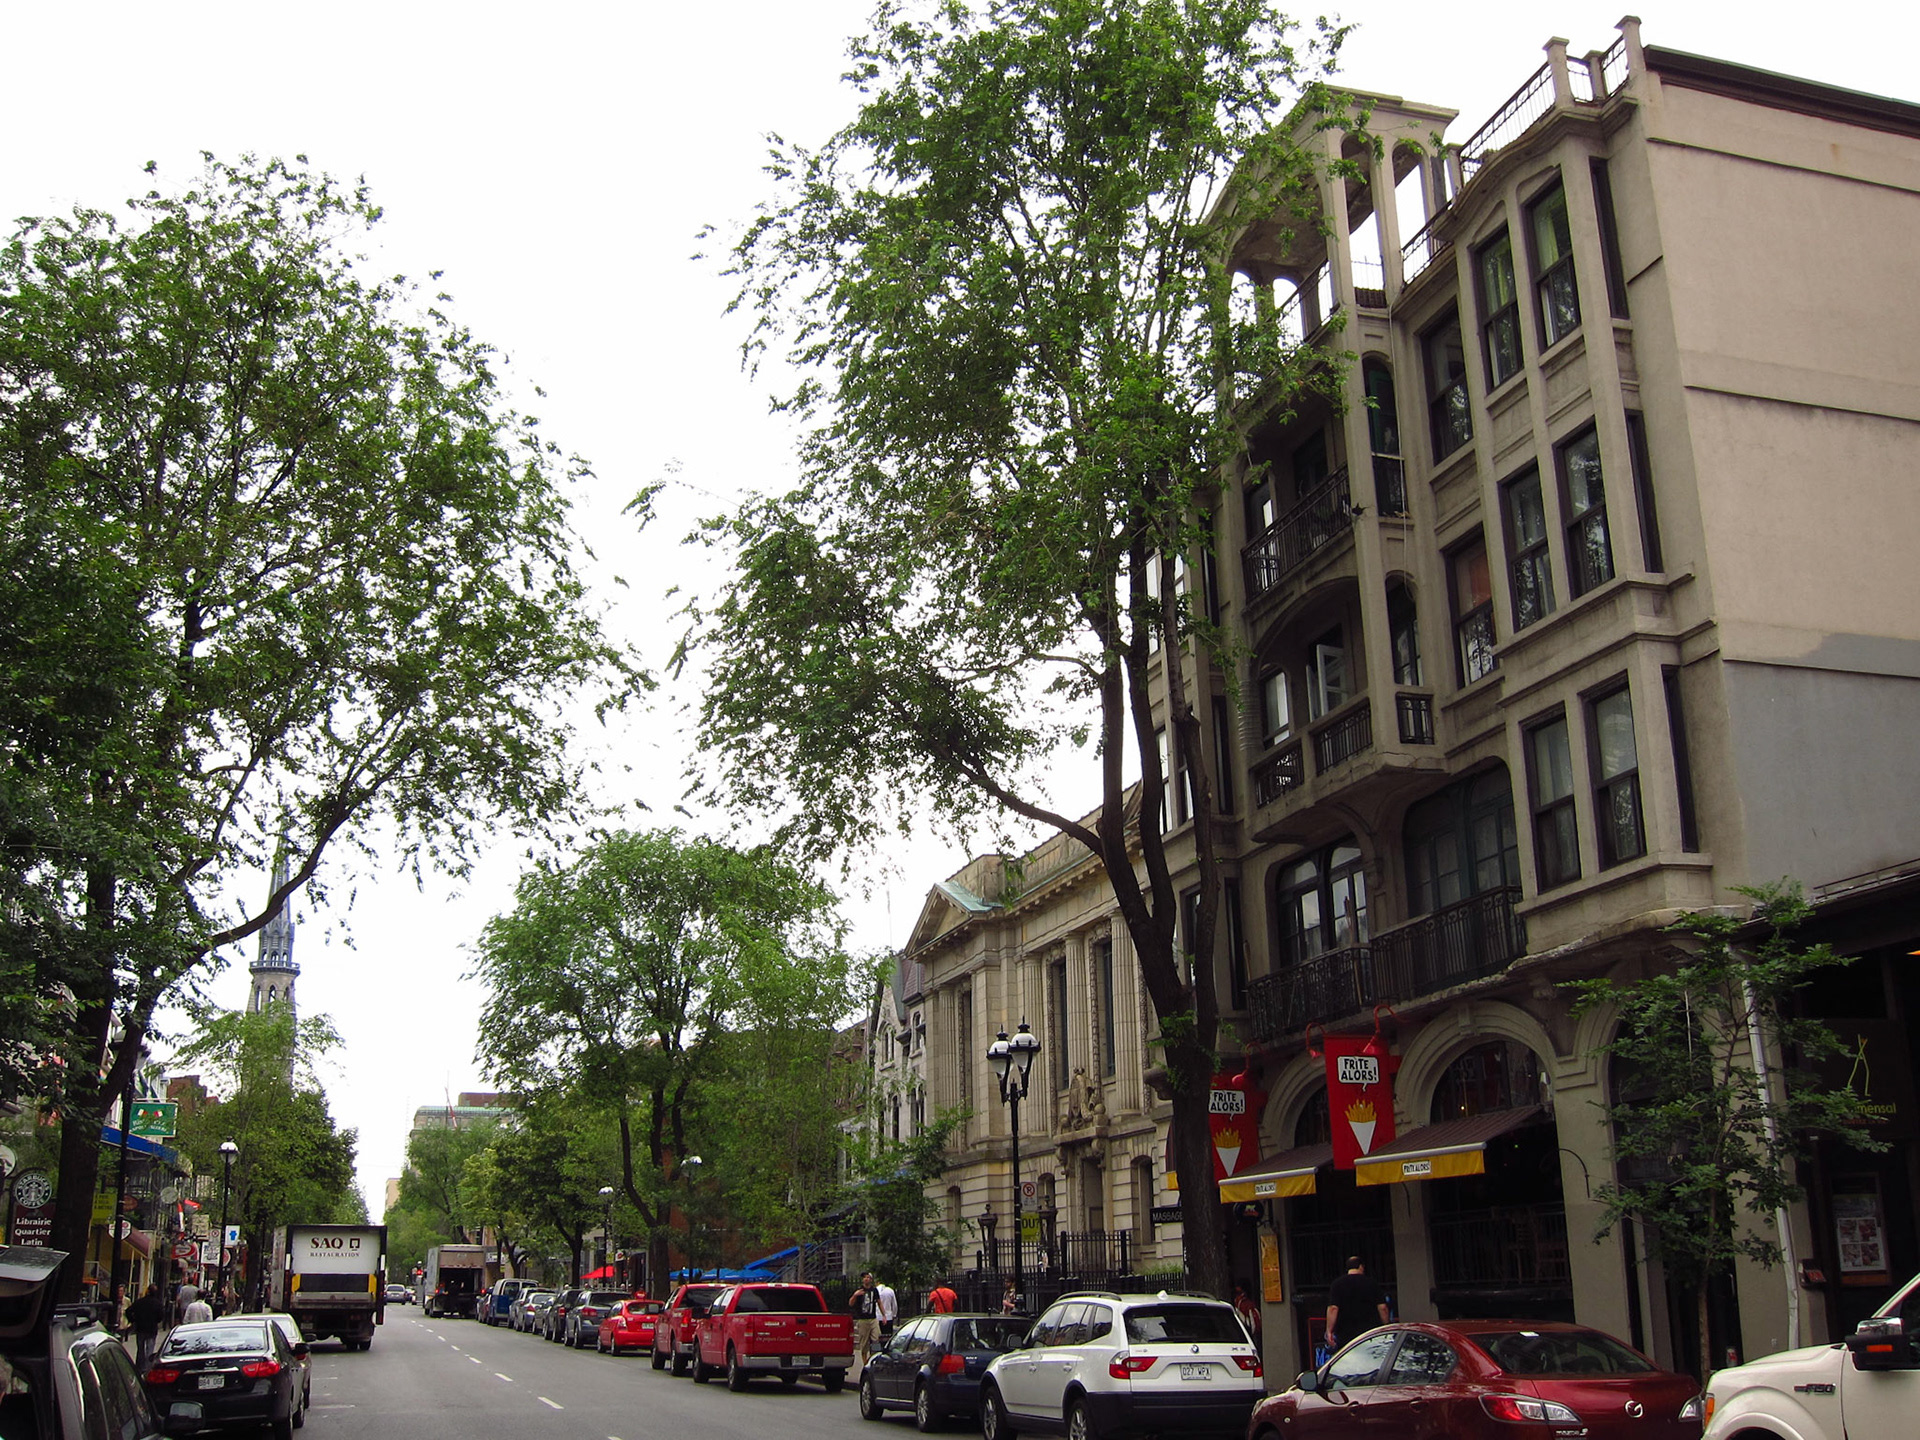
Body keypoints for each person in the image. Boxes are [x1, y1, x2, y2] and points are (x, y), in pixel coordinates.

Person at [1323, 1255, 1390, 1351]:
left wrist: (1329, 1331)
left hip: (1346, 1335)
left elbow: (1333, 1309)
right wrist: (1385, 1327)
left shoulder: (1337, 1284)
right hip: (1369, 1335)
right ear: (1361, 1266)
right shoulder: (1372, 1283)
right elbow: (1383, 1308)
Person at [128, 1284, 167, 1366]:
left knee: (140, 1349)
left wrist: (133, 1320)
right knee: (150, 1349)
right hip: (152, 1329)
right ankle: (148, 1366)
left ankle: (140, 1366)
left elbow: (128, 1311)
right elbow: (161, 1316)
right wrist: (156, 1321)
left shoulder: (140, 1302)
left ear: (148, 1291)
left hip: (140, 1328)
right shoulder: (158, 1304)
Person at [851, 1273, 881, 1375]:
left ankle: (872, 1359)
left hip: (872, 1319)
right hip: (863, 1320)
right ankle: (865, 1364)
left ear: (871, 1280)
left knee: (876, 1338)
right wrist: (855, 1295)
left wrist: (884, 1315)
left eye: (868, 1278)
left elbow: (879, 1302)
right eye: (865, 1278)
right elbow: (850, 1303)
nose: (867, 1279)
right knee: (864, 1344)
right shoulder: (859, 1291)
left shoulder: (874, 1290)